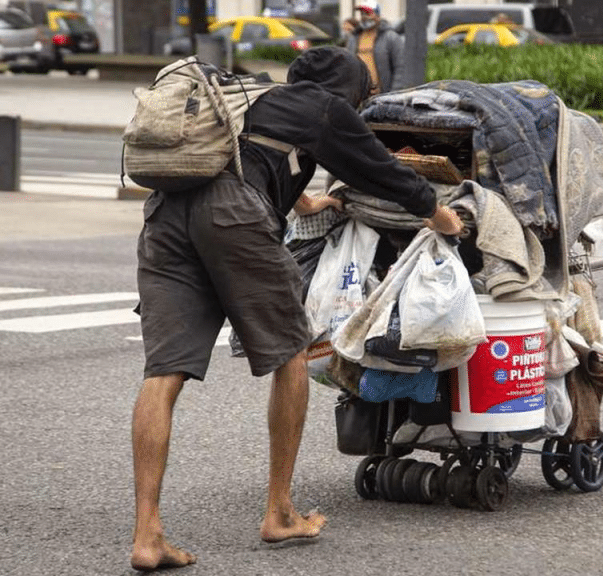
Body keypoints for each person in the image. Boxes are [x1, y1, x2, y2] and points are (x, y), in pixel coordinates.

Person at [129, 46, 462, 571]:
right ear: (350, 89)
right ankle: (279, 512)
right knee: (291, 355)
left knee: (163, 372)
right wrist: (439, 215)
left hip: (167, 216)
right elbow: (382, 172)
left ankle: (147, 535)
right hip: (234, 217)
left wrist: (307, 202)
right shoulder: (327, 107)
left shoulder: (260, 97)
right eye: (363, 93)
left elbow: (256, 158)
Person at [346, 0, 406, 94]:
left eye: (368, 13)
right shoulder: (353, 38)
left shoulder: (391, 37)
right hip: (360, 95)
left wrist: (393, 93)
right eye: (362, 14)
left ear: (378, 16)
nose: (364, 17)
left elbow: (400, 68)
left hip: (383, 95)